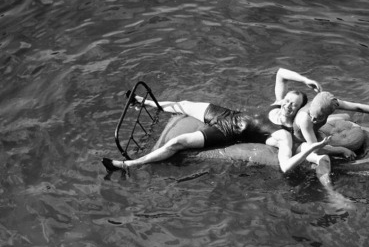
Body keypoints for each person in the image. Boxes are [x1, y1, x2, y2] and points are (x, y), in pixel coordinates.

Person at [102, 68, 329, 177]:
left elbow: (285, 166)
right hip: (225, 113)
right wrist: (306, 79)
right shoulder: (277, 103)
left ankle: (128, 165)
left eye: (292, 104)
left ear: (298, 109)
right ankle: (141, 102)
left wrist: (317, 148)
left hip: (227, 130)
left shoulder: (284, 134)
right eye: (287, 100)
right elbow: (280, 73)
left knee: (177, 143)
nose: (287, 105)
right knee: (184, 103)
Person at [293, 91, 369, 190]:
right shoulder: (306, 120)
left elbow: (357, 107)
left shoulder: (330, 103)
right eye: (312, 115)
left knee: (346, 116)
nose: (313, 120)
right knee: (324, 159)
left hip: (316, 132)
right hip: (301, 142)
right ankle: (331, 193)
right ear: (311, 106)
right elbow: (315, 150)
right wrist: (341, 149)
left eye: (318, 117)